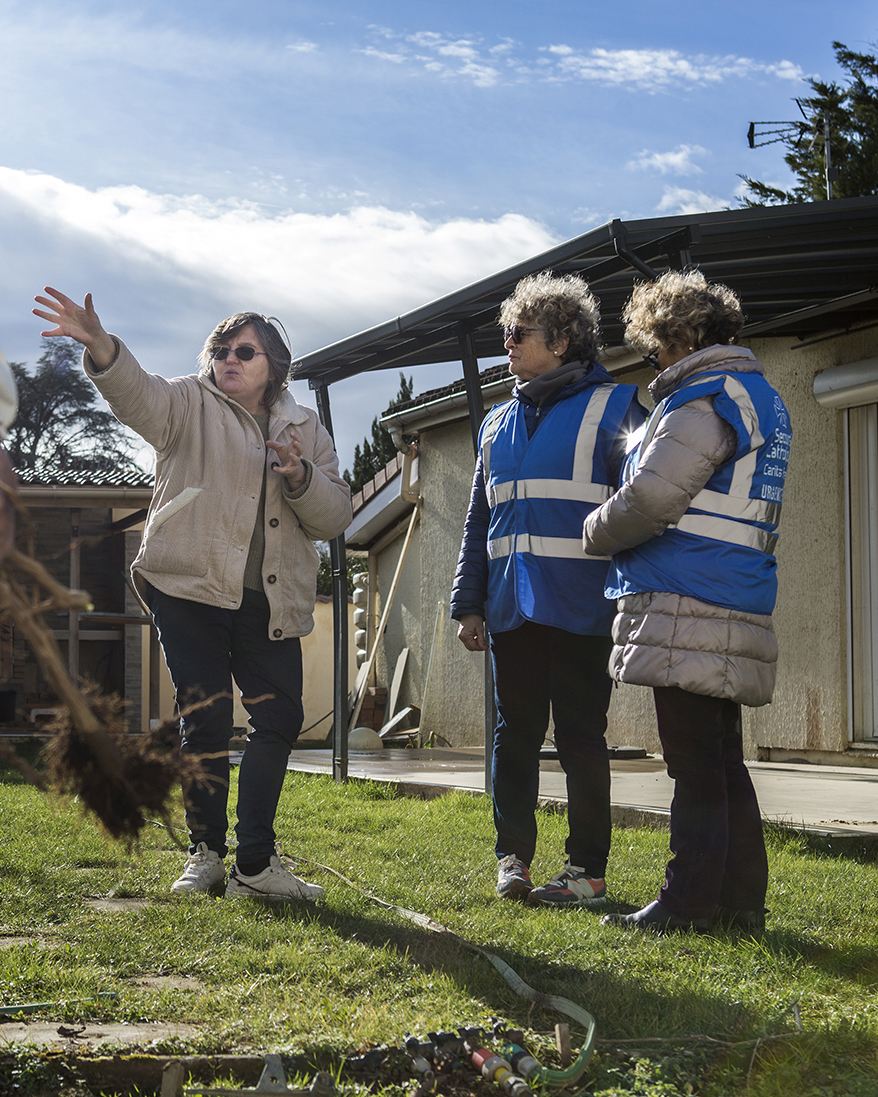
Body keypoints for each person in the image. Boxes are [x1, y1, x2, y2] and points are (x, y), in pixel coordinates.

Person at [34, 288, 352, 900]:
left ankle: (256, 866)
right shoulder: (187, 403)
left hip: (269, 602)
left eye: (245, 352)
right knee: (204, 721)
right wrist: (102, 346)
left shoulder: (305, 428)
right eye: (221, 350)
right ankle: (206, 855)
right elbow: (138, 396)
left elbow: (334, 516)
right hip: (190, 591)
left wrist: (302, 476)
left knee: (278, 718)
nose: (229, 359)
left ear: (274, 366)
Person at [583, 270, 791, 933]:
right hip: (730, 591)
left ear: (675, 334)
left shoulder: (700, 398)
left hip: (688, 598)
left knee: (695, 766)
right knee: (721, 761)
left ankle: (685, 903)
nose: (652, 357)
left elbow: (652, 497)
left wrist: (594, 530)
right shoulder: (755, 393)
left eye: (653, 342)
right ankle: (738, 904)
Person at [450, 271, 644, 906]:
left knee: (582, 737)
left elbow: (643, 508)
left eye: (517, 333)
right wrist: (468, 602)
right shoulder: (495, 423)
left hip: (586, 606)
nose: (506, 345)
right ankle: (513, 860)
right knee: (515, 736)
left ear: (562, 341)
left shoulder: (619, 408)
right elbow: (481, 519)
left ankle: (587, 870)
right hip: (512, 607)